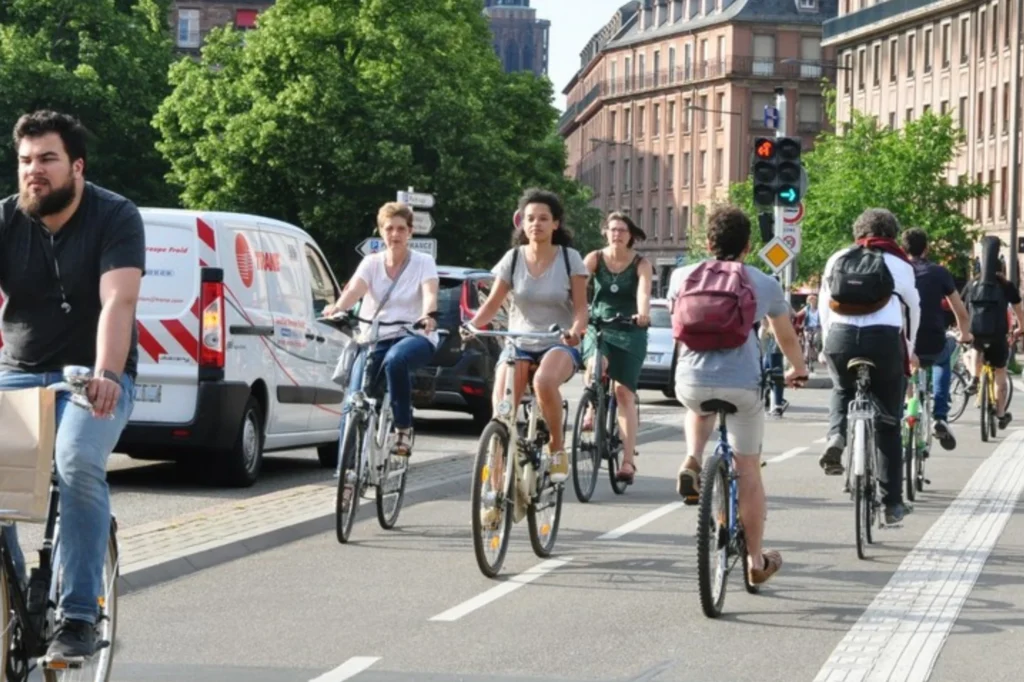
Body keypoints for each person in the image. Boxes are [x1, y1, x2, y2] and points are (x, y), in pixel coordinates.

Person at [0, 111, 144, 661]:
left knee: (77, 459)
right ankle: (10, 589)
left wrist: (107, 372)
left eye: (47, 160)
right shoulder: (6, 220)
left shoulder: (116, 216)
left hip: (92, 372)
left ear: (76, 167)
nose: (33, 172)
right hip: (19, 367)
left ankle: (80, 613)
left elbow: (118, 301)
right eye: (25, 161)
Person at [668, 205, 808, 586]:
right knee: (748, 472)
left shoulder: (682, 275)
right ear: (748, 245)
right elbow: (785, 335)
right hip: (742, 382)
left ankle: (693, 458)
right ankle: (756, 562)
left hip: (691, 378)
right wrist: (798, 369)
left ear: (709, 242)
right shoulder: (763, 281)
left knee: (697, 406)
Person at [464, 188, 589, 484]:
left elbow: (582, 310)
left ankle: (557, 448)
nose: (536, 224)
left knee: (544, 381)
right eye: (530, 218)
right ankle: (495, 484)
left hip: (558, 343)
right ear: (522, 223)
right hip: (518, 342)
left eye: (544, 218)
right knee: (502, 409)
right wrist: (470, 326)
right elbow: (493, 304)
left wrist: (574, 331)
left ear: (555, 224)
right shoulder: (514, 258)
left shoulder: (570, 259)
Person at [817, 208, 920, 525]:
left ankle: (836, 436)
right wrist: (911, 349)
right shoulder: (900, 263)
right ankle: (891, 504)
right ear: (891, 234)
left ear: (857, 232)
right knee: (889, 422)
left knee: (842, 387)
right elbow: (913, 308)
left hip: (841, 339)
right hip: (884, 341)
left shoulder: (838, 258)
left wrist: (826, 346)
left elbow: (824, 307)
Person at [323, 202, 439, 457]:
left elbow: (430, 292)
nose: (395, 234)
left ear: (410, 232)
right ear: (381, 231)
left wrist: (428, 315)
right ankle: (347, 470)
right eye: (389, 228)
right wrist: (338, 308)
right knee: (354, 399)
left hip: (413, 335)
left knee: (396, 360)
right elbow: (354, 290)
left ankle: (402, 428)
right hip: (374, 337)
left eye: (400, 229)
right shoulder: (371, 263)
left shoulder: (423, 262)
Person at [580, 212, 652, 484]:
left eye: (622, 230)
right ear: (605, 233)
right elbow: (578, 285)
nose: (617, 234)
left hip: (630, 328)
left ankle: (627, 462)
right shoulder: (594, 258)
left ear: (630, 235)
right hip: (599, 324)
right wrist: (577, 312)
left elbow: (643, 292)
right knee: (595, 364)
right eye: (612, 230)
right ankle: (591, 407)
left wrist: (643, 314)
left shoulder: (641, 263)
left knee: (623, 393)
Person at [900, 228, 972, 450]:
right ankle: (940, 415)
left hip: (904, 339)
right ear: (927, 248)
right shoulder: (939, 272)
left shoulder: (898, 270)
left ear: (903, 249)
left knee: (902, 364)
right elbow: (960, 310)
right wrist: (965, 334)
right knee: (944, 357)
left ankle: (906, 407)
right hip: (932, 338)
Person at [961, 249, 1024, 428]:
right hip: (998, 335)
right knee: (1000, 372)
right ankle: (1001, 414)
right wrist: (1021, 327)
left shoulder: (973, 284)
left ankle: (974, 377)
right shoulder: (1006, 286)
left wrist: (963, 331)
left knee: (973, 350)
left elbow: (964, 310)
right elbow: (1018, 310)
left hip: (978, 334)